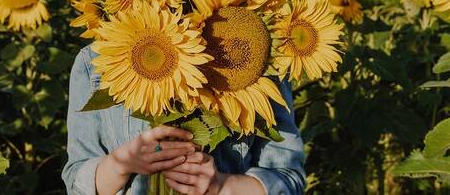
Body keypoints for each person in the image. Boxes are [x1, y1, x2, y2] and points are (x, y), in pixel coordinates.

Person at [62, 45, 306, 195]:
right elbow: (77, 184)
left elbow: (289, 179)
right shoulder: (95, 61)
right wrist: (122, 163)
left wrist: (220, 186)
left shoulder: (252, 56)